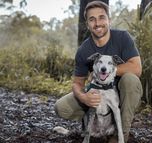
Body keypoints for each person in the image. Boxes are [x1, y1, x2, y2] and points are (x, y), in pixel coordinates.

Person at [54, 1, 143, 143]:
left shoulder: (122, 38)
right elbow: (77, 83)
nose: (97, 23)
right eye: (92, 19)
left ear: (109, 20)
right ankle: (92, 129)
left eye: (101, 17)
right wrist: (84, 98)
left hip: (123, 95)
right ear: (87, 24)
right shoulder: (84, 50)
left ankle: (120, 136)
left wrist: (108, 72)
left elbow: (137, 69)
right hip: (98, 96)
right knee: (61, 107)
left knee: (130, 80)